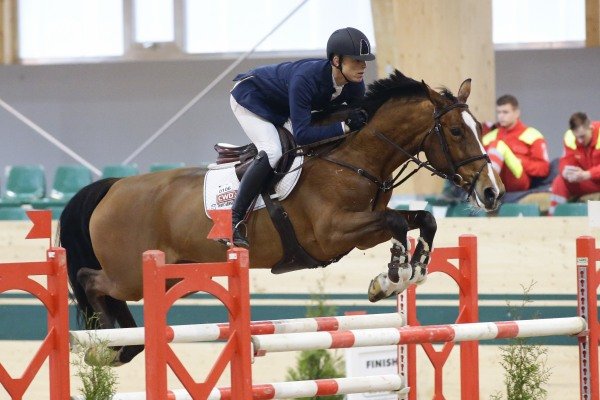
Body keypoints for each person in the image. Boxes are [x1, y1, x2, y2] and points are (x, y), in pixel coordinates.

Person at [228, 27, 375, 248]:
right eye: (356, 60)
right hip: (251, 98)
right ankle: (235, 220)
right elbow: (304, 135)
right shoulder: (306, 79)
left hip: (283, 106)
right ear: (336, 61)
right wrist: (344, 127)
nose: (363, 66)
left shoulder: (354, 86)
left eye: (364, 61)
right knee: (273, 150)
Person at [482, 95, 550, 193]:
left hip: (519, 182)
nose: (501, 116)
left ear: (517, 113)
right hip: (499, 180)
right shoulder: (488, 138)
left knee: (498, 145)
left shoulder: (532, 135)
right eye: (499, 112)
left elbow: (543, 169)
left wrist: (520, 161)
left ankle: (488, 183)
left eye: (505, 112)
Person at [549, 112, 600, 215]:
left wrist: (588, 174)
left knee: (595, 207)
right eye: (577, 137)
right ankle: (554, 220)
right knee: (559, 181)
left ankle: (596, 228)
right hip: (589, 181)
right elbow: (565, 160)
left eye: (582, 136)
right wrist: (566, 172)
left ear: (590, 127)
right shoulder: (570, 138)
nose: (580, 141)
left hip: (591, 176)